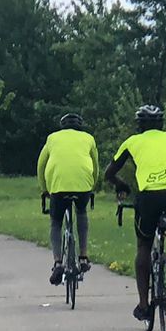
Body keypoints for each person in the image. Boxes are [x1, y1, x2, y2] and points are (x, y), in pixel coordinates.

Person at [104, 105, 166, 326]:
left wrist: (121, 185)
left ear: (139, 125)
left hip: (149, 197)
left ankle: (144, 305)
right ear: (162, 124)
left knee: (144, 245)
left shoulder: (132, 142)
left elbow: (109, 173)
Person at [38, 113, 99, 284]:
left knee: (56, 223)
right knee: (81, 212)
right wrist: (92, 185)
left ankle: (58, 262)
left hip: (58, 186)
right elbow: (95, 165)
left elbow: (41, 164)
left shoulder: (52, 138)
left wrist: (44, 188)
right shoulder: (89, 138)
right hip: (83, 185)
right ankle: (83, 256)